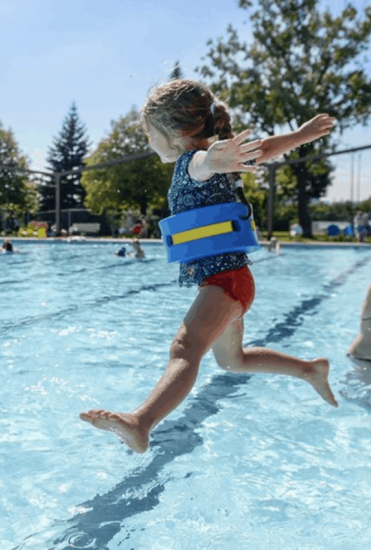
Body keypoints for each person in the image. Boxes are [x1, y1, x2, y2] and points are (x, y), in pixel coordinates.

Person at [79, 78, 338, 453]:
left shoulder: (194, 163)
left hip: (225, 280)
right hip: (229, 280)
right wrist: (301, 134)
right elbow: (261, 149)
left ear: (177, 133)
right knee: (233, 361)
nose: (149, 143)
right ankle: (310, 369)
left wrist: (214, 158)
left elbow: (203, 161)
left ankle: (142, 421)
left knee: (185, 348)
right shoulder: (224, 163)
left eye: (150, 134)